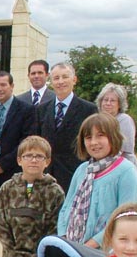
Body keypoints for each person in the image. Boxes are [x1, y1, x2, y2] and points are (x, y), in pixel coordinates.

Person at [57, 113, 137, 248]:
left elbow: (124, 218)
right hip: (72, 247)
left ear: (113, 137)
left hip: (104, 252)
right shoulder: (82, 170)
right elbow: (66, 207)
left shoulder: (126, 171)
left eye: (100, 135)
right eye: (88, 137)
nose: (94, 142)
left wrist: (90, 246)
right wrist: (64, 237)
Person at [0, 71, 37, 199]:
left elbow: (26, 143)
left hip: (13, 173)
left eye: (3, 85)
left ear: (12, 86)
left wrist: (3, 164)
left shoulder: (26, 110)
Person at [39, 63, 98, 193]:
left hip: (75, 173)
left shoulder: (88, 109)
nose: (60, 82)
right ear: (51, 81)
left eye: (65, 77)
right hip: (46, 175)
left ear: (74, 80)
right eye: (56, 78)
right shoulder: (42, 109)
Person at [96, 83, 137, 167]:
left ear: (119, 104)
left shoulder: (124, 120)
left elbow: (123, 149)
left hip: (121, 166)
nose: (108, 103)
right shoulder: (97, 120)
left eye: (112, 101)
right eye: (105, 100)